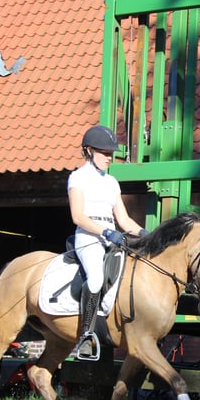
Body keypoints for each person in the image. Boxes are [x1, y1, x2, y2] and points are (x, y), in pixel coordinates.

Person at [67, 124, 146, 361]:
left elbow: (123, 219)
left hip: (112, 236)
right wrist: (105, 232)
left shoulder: (112, 182)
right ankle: (86, 336)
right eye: (104, 152)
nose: (109, 157)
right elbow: (78, 216)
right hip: (88, 237)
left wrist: (145, 233)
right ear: (89, 151)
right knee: (97, 278)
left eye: (111, 153)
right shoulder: (77, 178)